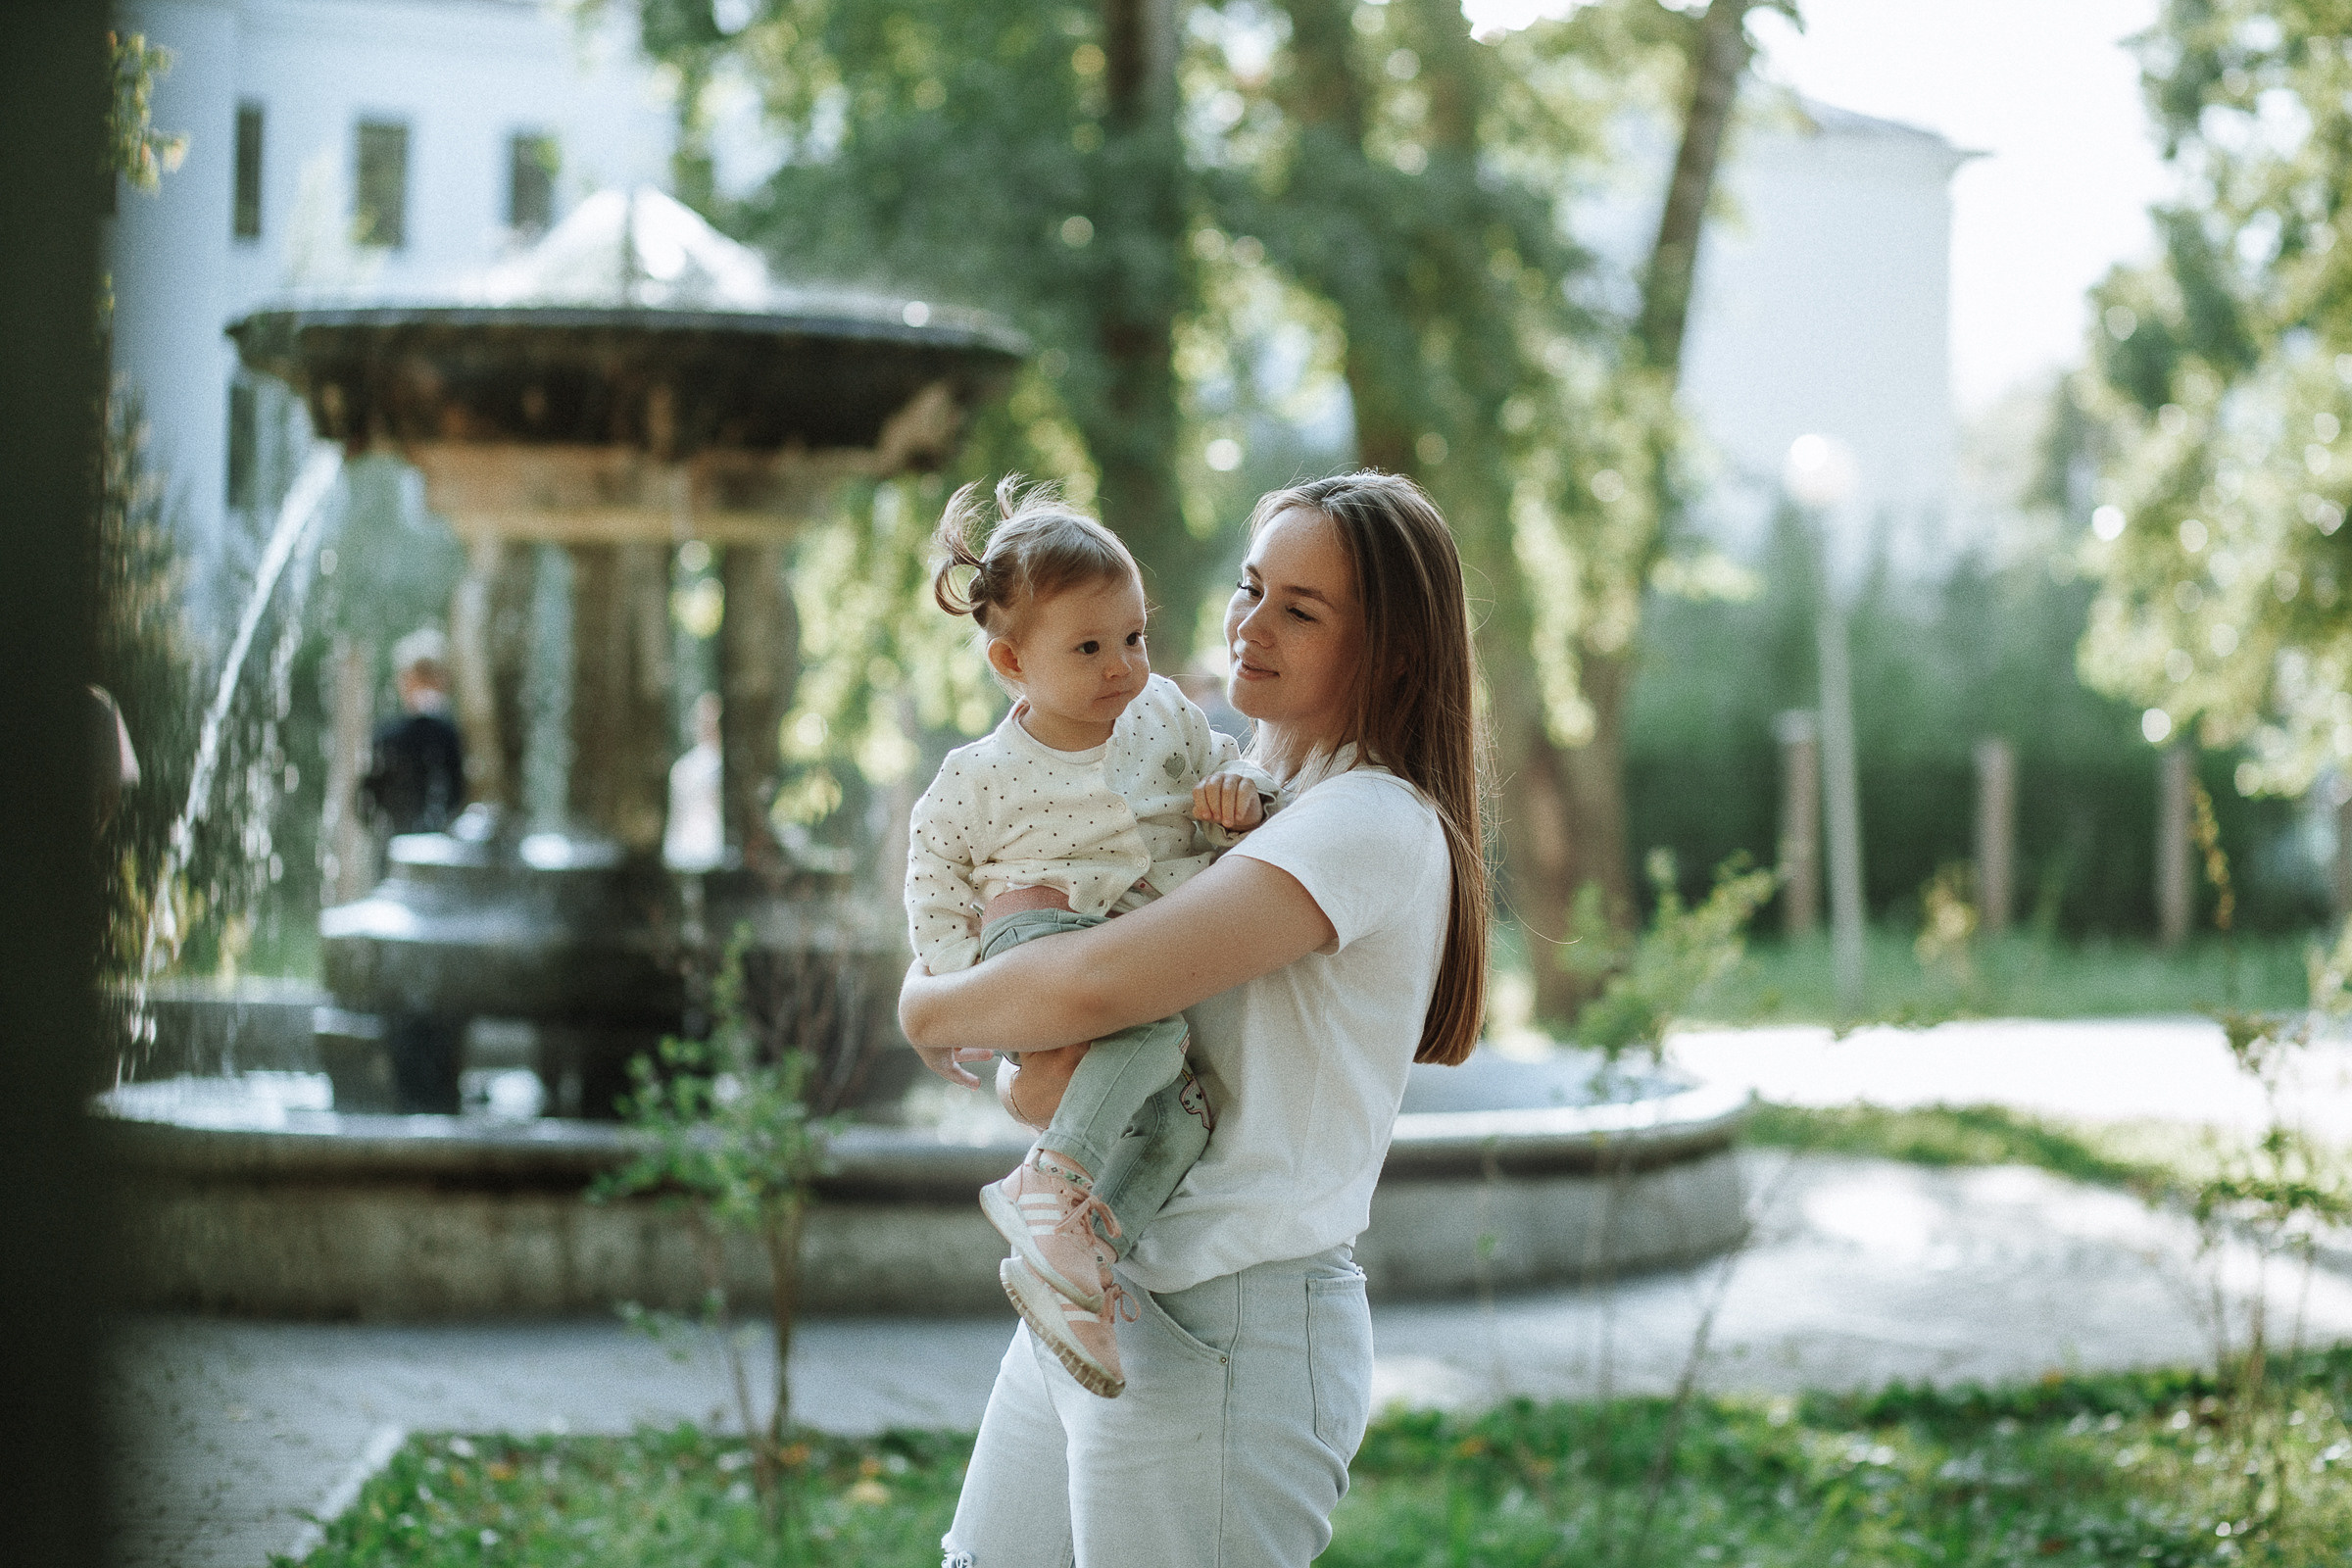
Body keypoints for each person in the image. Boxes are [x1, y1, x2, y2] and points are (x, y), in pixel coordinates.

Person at [900, 470, 1490, 1568]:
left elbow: (1098, 986)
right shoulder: (1229, 787)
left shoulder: (1366, 820)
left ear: (1395, 650)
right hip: (1099, 1288)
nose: (1249, 625)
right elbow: (1049, 1039)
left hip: (1231, 1324)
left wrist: (926, 1003)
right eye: (1251, 585)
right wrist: (1007, 1044)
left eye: (1300, 610)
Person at [906, 476, 1276, 1398]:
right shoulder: (981, 775)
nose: (1122, 665)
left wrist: (1237, 804)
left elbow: (1223, 780)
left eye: (1135, 637)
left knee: (1184, 1113)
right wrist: (966, 998)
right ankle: (1052, 1184)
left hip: (1128, 944)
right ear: (1011, 665)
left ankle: (1081, 1260)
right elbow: (933, 875)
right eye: (1088, 647)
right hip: (1036, 933)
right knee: (1152, 1031)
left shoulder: (1166, 720)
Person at [362, 628, 466, 1113]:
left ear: (406, 681)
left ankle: (404, 1082)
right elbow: (463, 800)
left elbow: (363, 802)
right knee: (444, 975)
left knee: (398, 973)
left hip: (398, 871)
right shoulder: (452, 735)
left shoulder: (389, 734)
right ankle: (442, 1082)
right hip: (444, 881)